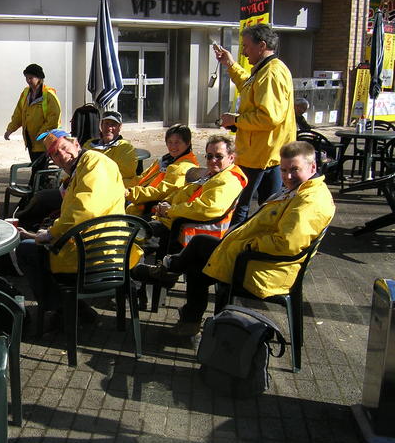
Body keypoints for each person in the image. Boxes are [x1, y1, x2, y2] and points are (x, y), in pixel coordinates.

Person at [134, 141, 334, 338]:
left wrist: (243, 245)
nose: (288, 176)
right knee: (200, 246)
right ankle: (174, 280)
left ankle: (170, 275)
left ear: (312, 167)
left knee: (197, 260)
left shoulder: (310, 200)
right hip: (248, 255)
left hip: (261, 267)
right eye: (283, 170)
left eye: (294, 170)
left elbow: (286, 244)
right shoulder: (298, 190)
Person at [16, 129, 129, 323]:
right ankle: (72, 309)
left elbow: (85, 210)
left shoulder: (95, 163)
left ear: (76, 144)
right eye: (55, 154)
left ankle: (67, 311)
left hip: (99, 253)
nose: (61, 155)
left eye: (64, 148)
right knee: (34, 244)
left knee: (27, 251)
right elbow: (76, 210)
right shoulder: (81, 166)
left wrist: (51, 233)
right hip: (91, 243)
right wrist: (49, 230)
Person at [214, 24, 296, 225]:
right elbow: (248, 85)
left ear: (262, 46)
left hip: (259, 154)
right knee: (269, 206)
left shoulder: (271, 73)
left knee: (240, 205)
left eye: (246, 46)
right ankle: (259, 236)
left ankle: (234, 241)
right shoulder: (265, 70)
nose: (244, 51)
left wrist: (236, 120)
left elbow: (269, 118)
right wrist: (230, 64)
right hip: (265, 153)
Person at [147, 135, 247, 254]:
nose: (213, 160)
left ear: (231, 158)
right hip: (173, 221)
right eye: (209, 156)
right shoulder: (214, 174)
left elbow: (206, 208)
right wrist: (166, 202)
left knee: (134, 242)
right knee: (134, 227)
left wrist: (169, 210)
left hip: (187, 232)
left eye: (219, 156)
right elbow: (186, 191)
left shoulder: (228, 181)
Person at [125, 124, 199, 216]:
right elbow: (143, 178)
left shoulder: (183, 167)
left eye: (177, 142)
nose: (173, 146)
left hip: (151, 209)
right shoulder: (166, 159)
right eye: (169, 142)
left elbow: (161, 192)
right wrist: (120, 184)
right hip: (139, 197)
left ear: (187, 143)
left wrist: (129, 193)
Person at [4, 64, 61, 175]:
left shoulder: (49, 95)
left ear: (39, 78)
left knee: (40, 169)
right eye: (26, 77)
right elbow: (18, 113)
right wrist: (10, 129)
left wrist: (41, 134)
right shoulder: (26, 93)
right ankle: (39, 184)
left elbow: (54, 118)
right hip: (31, 139)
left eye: (31, 78)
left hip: (44, 140)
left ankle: (37, 185)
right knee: (37, 168)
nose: (28, 80)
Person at [83, 110, 138, 189]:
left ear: (119, 127)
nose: (109, 128)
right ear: (101, 126)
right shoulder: (89, 145)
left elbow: (124, 174)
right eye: (106, 123)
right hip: (88, 185)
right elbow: (79, 166)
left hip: (115, 189)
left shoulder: (126, 148)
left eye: (113, 125)